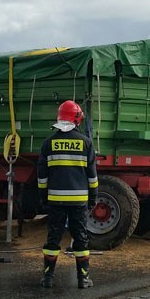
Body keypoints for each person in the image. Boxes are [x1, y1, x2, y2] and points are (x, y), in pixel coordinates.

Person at [36, 100, 98, 289]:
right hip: (79, 202)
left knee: (53, 238)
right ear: (77, 119)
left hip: (56, 200)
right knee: (80, 238)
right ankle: (83, 279)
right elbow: (92, 177)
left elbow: (42, 175)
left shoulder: (48, 143)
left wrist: (44, 198)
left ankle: (47, 278)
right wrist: (93, 198)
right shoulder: (86, 143)